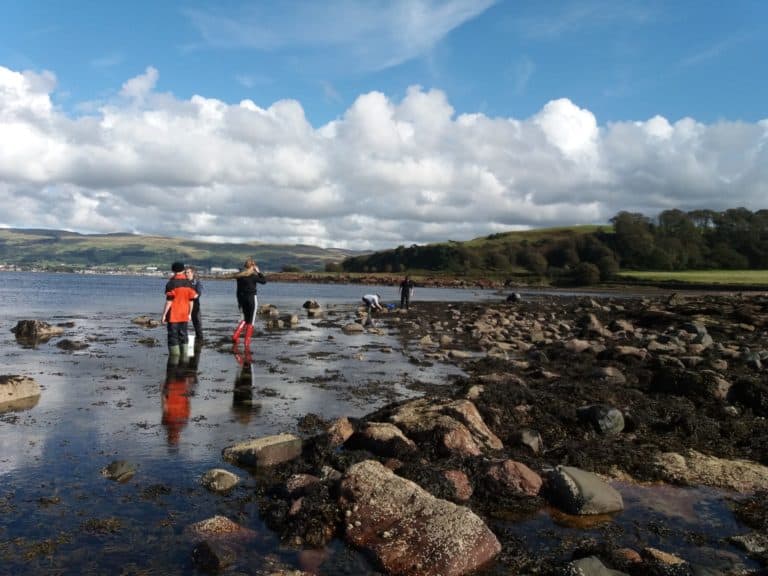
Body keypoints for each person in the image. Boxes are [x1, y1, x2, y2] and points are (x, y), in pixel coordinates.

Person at [161, 261, 198, 357]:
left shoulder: (171, 283)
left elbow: (169, 301)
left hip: (173, 315)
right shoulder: (189, 283)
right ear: (183, 270)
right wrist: (189, 314)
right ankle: (185, 358)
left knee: (173, 336)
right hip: (184, 314)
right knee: (184, 335)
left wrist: (164, 315)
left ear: (173, 270)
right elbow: (191, 301)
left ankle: (174, 360)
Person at [230, 258, 267, 349]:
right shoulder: (253, 276)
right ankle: (246, 342)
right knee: (251, 321)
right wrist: (258, 272)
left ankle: (235, 336)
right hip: (251, 299)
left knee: (245, 319)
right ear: (253, 267)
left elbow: (238, 291)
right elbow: (264, 281)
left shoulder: (240, 277)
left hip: (242, 299)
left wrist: (239, 302)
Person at [185, 265, 203, 342]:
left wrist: (193, 296)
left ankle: (200, 339)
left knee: (197, 324)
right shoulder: (184, 282)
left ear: (192, 273)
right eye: (186, 272)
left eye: (188, 272)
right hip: (184, 306)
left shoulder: (197, 282)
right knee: (183, 324)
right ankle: (184, 339)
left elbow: (198, 293)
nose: (187, 274)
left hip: (195, 306)